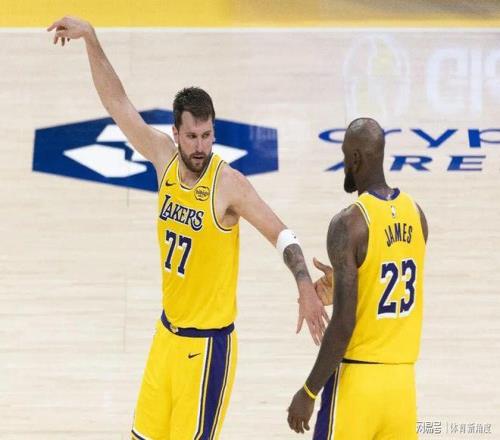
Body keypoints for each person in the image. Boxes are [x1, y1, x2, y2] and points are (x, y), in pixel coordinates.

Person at [47, 16, 328, 440]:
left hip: (208, 349)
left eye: (207, 135)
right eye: (192, 136)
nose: (200, 146)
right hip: (166, 339)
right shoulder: (162, 156)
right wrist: (91, 37)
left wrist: (305, 284)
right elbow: (117, 103)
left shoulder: (228, 184)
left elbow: (282, 234)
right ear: (175, 133)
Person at [287, 117, 428, 439]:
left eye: (344, 155)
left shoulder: (349, 224)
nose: (343, 164)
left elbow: (344, 324)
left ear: (355, 158)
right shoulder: (417, 214)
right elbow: (389, 279)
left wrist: (308, 391)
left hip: (358, 384)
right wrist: (345, 282)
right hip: (402, 387)